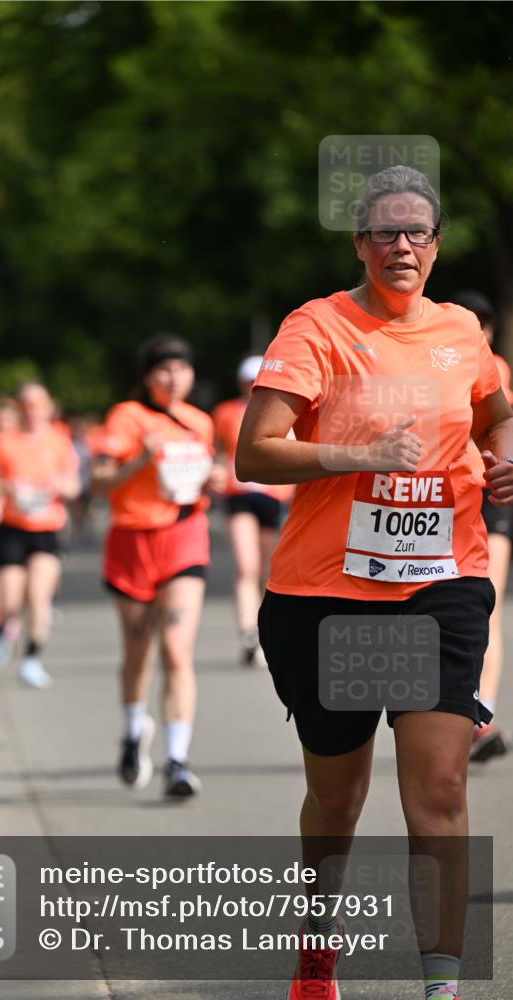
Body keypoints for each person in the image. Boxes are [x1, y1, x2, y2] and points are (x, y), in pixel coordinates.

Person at [236, 166, 513, 1000]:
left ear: (435, 246)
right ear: (359, 244)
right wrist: (355, 457)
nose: (401, 245)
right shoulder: (317, 327)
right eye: (384, 232)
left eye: (416, 232)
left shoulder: (461, 331)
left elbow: (495, 410)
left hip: (440, 583)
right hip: (327, 598)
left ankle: (441, 986)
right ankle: (317, 953)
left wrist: (503, 458)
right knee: (337, 799)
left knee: (438, 789)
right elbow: (253, 453)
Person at [91, 334, 219, 798]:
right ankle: (132, 730)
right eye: (163, 369)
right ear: (147, 377)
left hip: (184, 539)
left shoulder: (200, 423)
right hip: (132, 542)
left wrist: (215, 479)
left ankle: (178, 761)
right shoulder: (128, 418)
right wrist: (141, 459)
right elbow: (99, 481)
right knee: (138, 651)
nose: (173, 377)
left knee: (176, 650)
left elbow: (203, 476)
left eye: (181, 369)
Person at [0, 383, 81, 688]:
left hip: (47, 527)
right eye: (27, 404)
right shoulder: (3, 441)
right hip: (13, 525)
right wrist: (11, 489)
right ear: (19, 408)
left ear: (48, 406)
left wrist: (59, 487)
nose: (33, 410)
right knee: (11, 598)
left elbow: (74, 485)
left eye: (39, 404)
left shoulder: (59, 440)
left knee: (39, 597)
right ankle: (1, 627)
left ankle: (31, 659)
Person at [451, 291, 513, 762]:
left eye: (483, 325)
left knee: (485, 602)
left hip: (489, 493)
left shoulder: (493, 368)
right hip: (448, 495)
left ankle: (480, 714)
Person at [213, 356, 294, 666]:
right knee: (246, 567)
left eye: (256, 380)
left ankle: (264, 632)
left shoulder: (286, 408)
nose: (252, 386)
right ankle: (247, 633)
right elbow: (218, 451)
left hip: (274, 496)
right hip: (239, 494)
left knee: (266, 570)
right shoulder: (225, 412)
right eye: (248, 381)